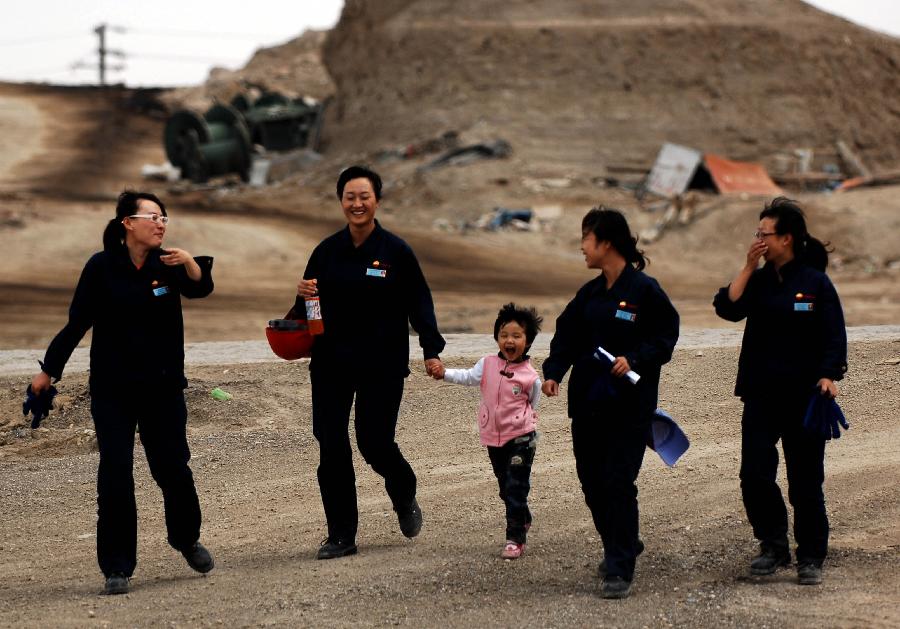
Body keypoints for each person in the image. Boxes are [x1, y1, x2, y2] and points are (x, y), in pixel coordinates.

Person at [28, 190, 216, 595]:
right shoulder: (101, 268)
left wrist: (190, 264)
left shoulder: (169, 264)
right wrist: (49, 371)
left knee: (172, 468)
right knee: (114, 474)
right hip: (113, 390)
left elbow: (200, 290)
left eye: (164, 217)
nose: (161, 223)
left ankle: (185, 538)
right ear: (127, 223)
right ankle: (117, 566)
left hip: (163, 388)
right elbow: (77, 323)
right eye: (153, 216)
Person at [295, 165, 446, 559]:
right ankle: (341, 535)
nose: (357, 203)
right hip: (331, 364)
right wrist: (304, 296)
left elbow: (420, 303)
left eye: (364, 196)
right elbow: (307, 313)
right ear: (341, 201)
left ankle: (403, 491)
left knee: (374, 442)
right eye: (350, 197)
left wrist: (431, 348)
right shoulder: (326, 252)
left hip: (381, 364)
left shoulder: (396, 252)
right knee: (331, 445)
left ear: (377, 200)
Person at [542, 207, 679, 599]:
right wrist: (553, 371)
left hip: (628, 408)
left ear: (606, 243)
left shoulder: (645, 291)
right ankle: (623, 540)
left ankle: (619, 565)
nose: (582, 247)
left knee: (618, 481)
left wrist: (634, 359)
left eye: (586, 239)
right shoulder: (589, 294)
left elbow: (666, 336)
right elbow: (566, 334)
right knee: (591, 483)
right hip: (587, 405)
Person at [713, 197, 847, 586]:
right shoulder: (757, 281)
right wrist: (747, 266)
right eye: (757, 234)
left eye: (763, 234)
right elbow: (727, 307)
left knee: (805, 480)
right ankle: (772, 545)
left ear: (786, 238)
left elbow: (833, 335)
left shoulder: (816, 283)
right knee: (753, 474)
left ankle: (810, 556)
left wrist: (828, 374)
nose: (758, 240)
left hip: (805, 397)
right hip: (760, 394)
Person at [430, 303, 543, 559]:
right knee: (505, 487)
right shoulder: (487, 364)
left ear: (528, 341)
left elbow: (532, 402)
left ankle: (515, 538)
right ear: (496, 338)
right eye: (504, 335)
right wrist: (444, 373)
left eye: (516, 336)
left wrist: (520, 424)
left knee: (516, 487)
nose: (509, 341)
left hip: (522, 438)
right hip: (493, 437)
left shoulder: (530, 376)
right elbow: (468, 376)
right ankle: (523, 516)